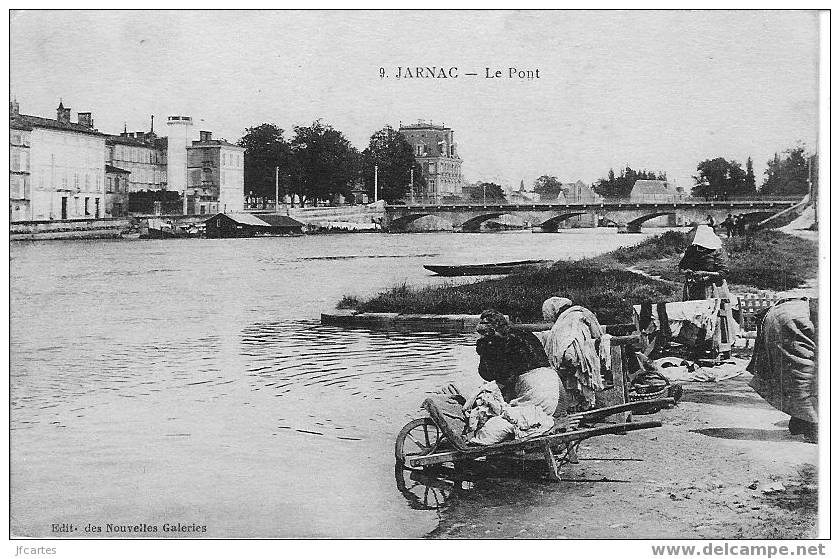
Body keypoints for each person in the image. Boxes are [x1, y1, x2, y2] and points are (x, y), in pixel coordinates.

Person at [748, 298, 818, 443]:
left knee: (797, 372)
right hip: (794, 319)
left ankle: (801, 422)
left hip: (786, 312)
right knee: (803, 373)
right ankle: (814, 427)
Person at [534, 297, 608, 411]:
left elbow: (569, 339)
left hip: (575, 358)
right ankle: (580, 405)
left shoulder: (570, 319)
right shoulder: (580, 313)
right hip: (581, 356)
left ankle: (580, 405)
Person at [678, 224, 729, 300]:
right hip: (694, 288)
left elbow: (723, 272)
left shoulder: (717, 250)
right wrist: (686, 272)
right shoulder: (691, 250)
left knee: (714, 308)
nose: (701, 249)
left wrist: (704, 273)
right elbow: (681, 267)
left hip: (714, 288)